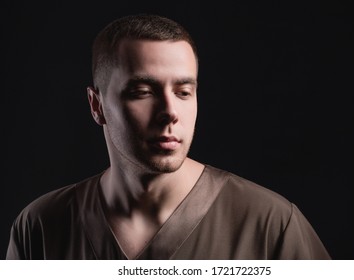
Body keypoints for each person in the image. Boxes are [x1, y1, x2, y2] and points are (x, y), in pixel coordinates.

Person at [6, 14, 331, 260]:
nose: (169, 111)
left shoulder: (270, 224)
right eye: (143, 91)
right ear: (97, 105)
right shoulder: (41, 226)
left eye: (183, 91)